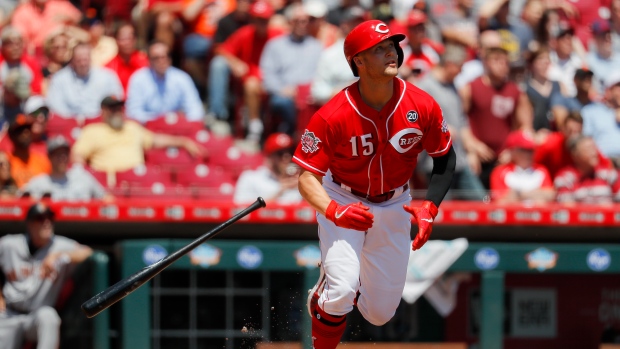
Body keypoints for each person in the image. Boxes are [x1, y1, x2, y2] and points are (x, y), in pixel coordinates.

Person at [292, 20, 456, 349]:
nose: (390, 53)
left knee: (380, 313)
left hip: (395, 202)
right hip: (342, 196)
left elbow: (445, 157)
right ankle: (329, 294)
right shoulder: (332, 114)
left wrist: (431, 206)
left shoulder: (421, 104)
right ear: (359, 62)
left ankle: (337, 294)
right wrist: (334, 210)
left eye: (392, 47)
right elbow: (307, 178)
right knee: (340, 292)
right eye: (378, 49)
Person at [0, 202, 93, 349]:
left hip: (36, 316)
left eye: (49, 217)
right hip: (8, 314)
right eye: (40, 218)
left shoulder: (59, 245)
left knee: (49, 316)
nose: (46, 222)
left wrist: (58, 255)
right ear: (29, 224)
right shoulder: (9, 244)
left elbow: (88, 253)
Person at [416, 43, 486, 201]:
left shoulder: (453, 86)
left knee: (482, 202)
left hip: (459, 160)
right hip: (435, 163)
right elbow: (416, 121)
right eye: (459, 67)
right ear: (449, 64)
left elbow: (462, 122)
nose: (461, 72)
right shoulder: (424, 86)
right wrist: (440, 127)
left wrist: (471, 152)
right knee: (440, 212)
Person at [459, 44, 532, 188]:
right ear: (486, 62)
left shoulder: (515, 92)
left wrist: (512, 150)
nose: (502, 65)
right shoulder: (471, 87)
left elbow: (525, 126)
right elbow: (460, 120)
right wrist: (472, 146)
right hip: (477, 157)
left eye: (505, 62)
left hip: (503, 158)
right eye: (497, 60)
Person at [72, 96, 204, 174]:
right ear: (104, 111)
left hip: (137, 181)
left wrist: (183, 142)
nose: (117, 112)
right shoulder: (93, 130)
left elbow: (156, 140)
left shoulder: (132, 127)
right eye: (113, 109)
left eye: (119, 108)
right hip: (109, 184)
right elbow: (77, 156)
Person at [206, 1, 282, 127]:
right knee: (248, 83)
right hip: (250, 80)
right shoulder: (245, 33)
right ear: (252, 19)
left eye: (265, 20)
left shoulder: (278, 35)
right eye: (258, 19)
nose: (261, 23)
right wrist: (234, 62)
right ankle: (221, 116)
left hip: (273, 81)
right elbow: (221, 49)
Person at [260, 3, 323, 140]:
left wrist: (313, 90)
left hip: (310, 95)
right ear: (290, 22)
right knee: (282, 102)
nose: (302, 24)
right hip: (285, 93)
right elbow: (267, 75)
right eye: (298, 21)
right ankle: (295, 137)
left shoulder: (317, 47)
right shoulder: (275, 45)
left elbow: (322, 74)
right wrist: (282, 89)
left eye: (305, 21)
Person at [126, 41, 205, 124]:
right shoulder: (138, 79)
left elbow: (196, 110)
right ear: (149, 60)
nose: (161, 61)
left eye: (164, 57)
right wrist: (160, 121)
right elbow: (133, 113)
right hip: (148, 129)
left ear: (170, 59)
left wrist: (181, 122)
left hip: (176, 128)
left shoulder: (182, 78)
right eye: (156, 58)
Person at [46, 43, 124, 121]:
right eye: (79, 60)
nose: (83, 63)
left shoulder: (107, 76)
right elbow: (55, 106)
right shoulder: (59, 79)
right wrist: (73, 121)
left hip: (101, 123)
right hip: (69, 124)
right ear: (72, 60)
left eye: (85, 59)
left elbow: (116, 98)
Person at [20, 136, 111, 201]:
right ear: (49, 157)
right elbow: (18, 201)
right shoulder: (38, 183)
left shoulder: (82, 177)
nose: (62, 158)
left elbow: (106, 199)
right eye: (58, 154)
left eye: (65, 154)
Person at [311, 6, 366, 105]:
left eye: (361, 23)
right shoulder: (329, 55)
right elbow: (317, 91)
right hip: (341, 107)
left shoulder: (373, 51)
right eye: (353, 23)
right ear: (344, 25)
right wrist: (346, 91)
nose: (359, 26)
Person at [234, 132, 302, 205]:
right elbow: (241, 210)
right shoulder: (250, 178)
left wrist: (304, 188)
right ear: (268, 157)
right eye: (280, 153)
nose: (287, 157)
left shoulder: (299, 180)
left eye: (291, 152)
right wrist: (281, 190)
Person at [490, 130, 555, 204]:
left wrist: (519, 194)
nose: (529, 154)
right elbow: (500, 202)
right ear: (512, 151)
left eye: (531, 150)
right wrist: (537, 194)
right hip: (512, 214)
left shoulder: (541, 170)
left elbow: (550, 195)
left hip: (537, 214)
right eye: (524, 150)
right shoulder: (500, 172)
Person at [555, 136, 620, 204]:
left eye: (594, 148)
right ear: (575, 155)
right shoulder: (565, 178)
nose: (594, 153)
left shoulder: (609, 174)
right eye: (588, 149)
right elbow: (567, 208)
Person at [10, 0, 82, 58]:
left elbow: (80, 19)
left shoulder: (59, 5)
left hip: (65, 53)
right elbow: (21, 40)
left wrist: (68, 18)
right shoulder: (22, 12)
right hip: (39, 56)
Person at [581, 72, 620, 168]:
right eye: (618, 87)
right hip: (603, 165)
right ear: (608, 91)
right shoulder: (590, 111)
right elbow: (585, 141)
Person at [5, 114, 50, 188]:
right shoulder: (5, 162)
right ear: (12, 135)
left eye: (28, 128)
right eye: (20, 130)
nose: (26, 132)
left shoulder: (43, 161)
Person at [104, 23, 150, 93]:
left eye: (129, 38)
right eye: (123, 39)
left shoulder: (146, 62)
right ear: (116, 40)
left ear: (135, 40)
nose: (127, 42)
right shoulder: (108, 68)